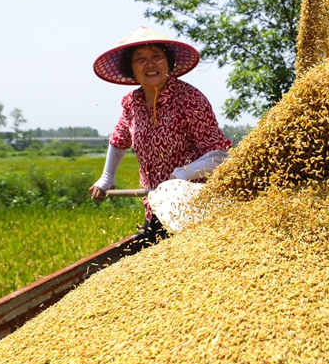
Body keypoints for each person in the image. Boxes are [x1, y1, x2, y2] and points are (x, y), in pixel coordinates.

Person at [89, 26, 233, 249]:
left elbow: (220, 155)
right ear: (131, 69)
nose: (149, 64)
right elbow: (119, 140)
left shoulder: (189, 98)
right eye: (140, 59)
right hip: (156, 207)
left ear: (168, 64)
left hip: (193, 206)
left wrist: (182, 175)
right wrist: (107, 177)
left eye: (157, 56)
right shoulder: (132, 101)